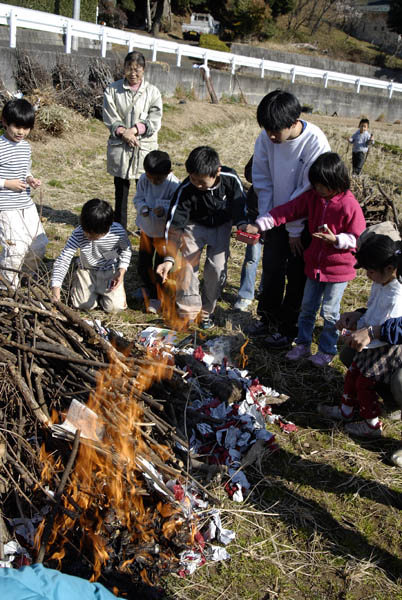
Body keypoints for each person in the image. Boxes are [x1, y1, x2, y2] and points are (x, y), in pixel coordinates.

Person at [241, 152, 366, 366]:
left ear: (336, 182)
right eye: (315, 185)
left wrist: (336, 239)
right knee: (307, 308)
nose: (317, 190)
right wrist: (260, 224)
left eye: (321, 186)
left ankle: (327, 349)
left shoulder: (348, 204)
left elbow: (358, 238)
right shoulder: (313, 198)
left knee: (329, 311)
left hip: (338, 270)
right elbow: (287, 210)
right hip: (314, 267)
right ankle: (303, 344)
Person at [250, 90, 330, 348]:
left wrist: (295, 230)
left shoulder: (315, 142)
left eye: (276, 131)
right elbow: (263, 181)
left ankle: (288, 329)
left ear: (294, 122)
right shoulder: (266, 138)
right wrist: (266, 218)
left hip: (305, 222)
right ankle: (267, 318)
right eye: (268, 129)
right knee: (272, 269)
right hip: (274, 217)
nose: (271, 136)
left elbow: (307, 191)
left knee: (296, 275)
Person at [318, 234, 402, 438]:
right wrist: (357, 317)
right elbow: (374, 311)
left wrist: (361, 335)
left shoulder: (397, 295)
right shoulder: (381, 282)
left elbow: (388, 326)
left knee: (365, 382)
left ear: (389, 269)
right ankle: (347, 410)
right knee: (353, 372)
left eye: (371, 271)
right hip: (373, 341)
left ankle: (372, 424)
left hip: (383, 349)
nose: (367, 276)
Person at [156, 146, 245, 330]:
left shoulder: (230, 179)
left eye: (201, 181)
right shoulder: (186, 189)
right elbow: (174, 224)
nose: (197, 184)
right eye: (193, 179)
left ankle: (206, 310)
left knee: (216, 267)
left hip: (221, 225)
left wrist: (243, 224)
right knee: (188, 265)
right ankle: (188, 309)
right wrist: (169, 258)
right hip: (194, 226)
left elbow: (240, 204)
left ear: (217, 171)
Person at [103, 51, 163, 230]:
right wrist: (123, 132)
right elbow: (109, 115)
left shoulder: (152, 92)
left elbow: (155, 118)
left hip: (143, 147)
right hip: (120, 146)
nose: (133, 73)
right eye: (129, 69)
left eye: (137, 70)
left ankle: (144, 224)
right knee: (120, 189)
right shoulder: (112, 90)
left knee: (145, 187)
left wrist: (136, 130)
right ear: (124, 68)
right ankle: (119, 227)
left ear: (143, 70)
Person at [51, 199, 132, 313]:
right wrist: (56, 289)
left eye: (93, 235)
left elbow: (126, 250)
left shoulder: (117, 232)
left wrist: (121, 271)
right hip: (87, 271)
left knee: (115, 308)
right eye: (86, 231)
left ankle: (102, 294)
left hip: (110, 271)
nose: (87, 236)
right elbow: (63, 259)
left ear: (106, 228)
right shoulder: (78, 233)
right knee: (82, 305)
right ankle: (83, 285)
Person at [0, 98, 48, 288]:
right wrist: (6, 183)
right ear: (4, 121)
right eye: (17, 126)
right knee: (16, 248)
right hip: (5, 206)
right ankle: (7, 288)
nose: (21, 132)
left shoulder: (25, 147)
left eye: (26, 128)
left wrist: (30, 179)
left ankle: (26, 278)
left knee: (39, 243)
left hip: (25, 203)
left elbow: (24, 170)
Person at [133, 150, 180, 314]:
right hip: (147, 228)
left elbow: (177, 209)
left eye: (158, 178)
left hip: (163, 233)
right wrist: (143, 208)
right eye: (151, 176)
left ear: (168, 172)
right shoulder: (144, 180)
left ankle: (157, 296)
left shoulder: (174, 185)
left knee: (160, 265)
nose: (154, 181)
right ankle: (146, 287)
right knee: (144, 262)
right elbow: (138, 198)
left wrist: (165, 210)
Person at [233, 155, 263, 311]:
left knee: (273, 261)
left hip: (276, 216)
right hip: (254, 213)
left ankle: (264, 290)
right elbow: (248, 173)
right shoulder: (262, 150)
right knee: (251, 257)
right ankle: (245, 294)